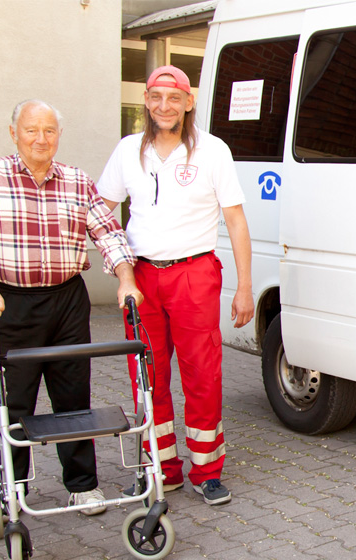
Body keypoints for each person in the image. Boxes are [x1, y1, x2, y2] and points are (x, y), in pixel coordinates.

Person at [0, 99, 143, 519]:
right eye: (31, 130)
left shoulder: (76, 180)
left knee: (73, 399)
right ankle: (11, 490)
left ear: (58, 136)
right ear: (13, 133)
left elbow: (108, 233)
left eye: (49, 131)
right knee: (14, 402)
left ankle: (83, 487)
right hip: (10, 301)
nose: (41, 139)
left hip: (66, 300)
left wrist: (126, 280)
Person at [97, 65, 253, 505]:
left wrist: (245, 287)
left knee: (202, 374)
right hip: (142, 276)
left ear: (188, 102)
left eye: (173, 98)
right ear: (146, 101)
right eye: (155, 98)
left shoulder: (213, 150)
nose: (164, 106)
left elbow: (236, 221)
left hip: (194, 274)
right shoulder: (128, 150)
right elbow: (101, 209)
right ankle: (159, 469)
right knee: (147, 376)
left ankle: (206, 470)